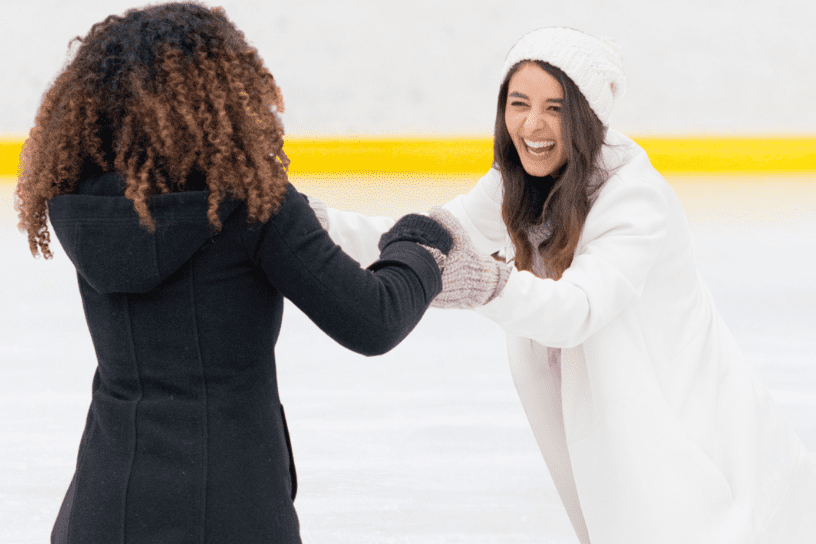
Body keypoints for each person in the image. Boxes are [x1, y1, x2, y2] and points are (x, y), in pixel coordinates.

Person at [314, 27, 816, 544]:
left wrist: (487, 283)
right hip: (602, 409)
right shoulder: (517, 181)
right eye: (518, 103)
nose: (532, 125)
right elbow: (431, 234)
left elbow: (578, 310)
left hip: (673, 409)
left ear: (586, 116)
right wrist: (318, 227)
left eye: (555, 108)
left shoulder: (632, 197)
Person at [13, 3, 463, 543]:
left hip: (100, 511)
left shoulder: (82, 207)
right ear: (224, 94)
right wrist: (420, 247)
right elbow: (372, 319)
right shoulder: (255, 208)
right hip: (233, 510)